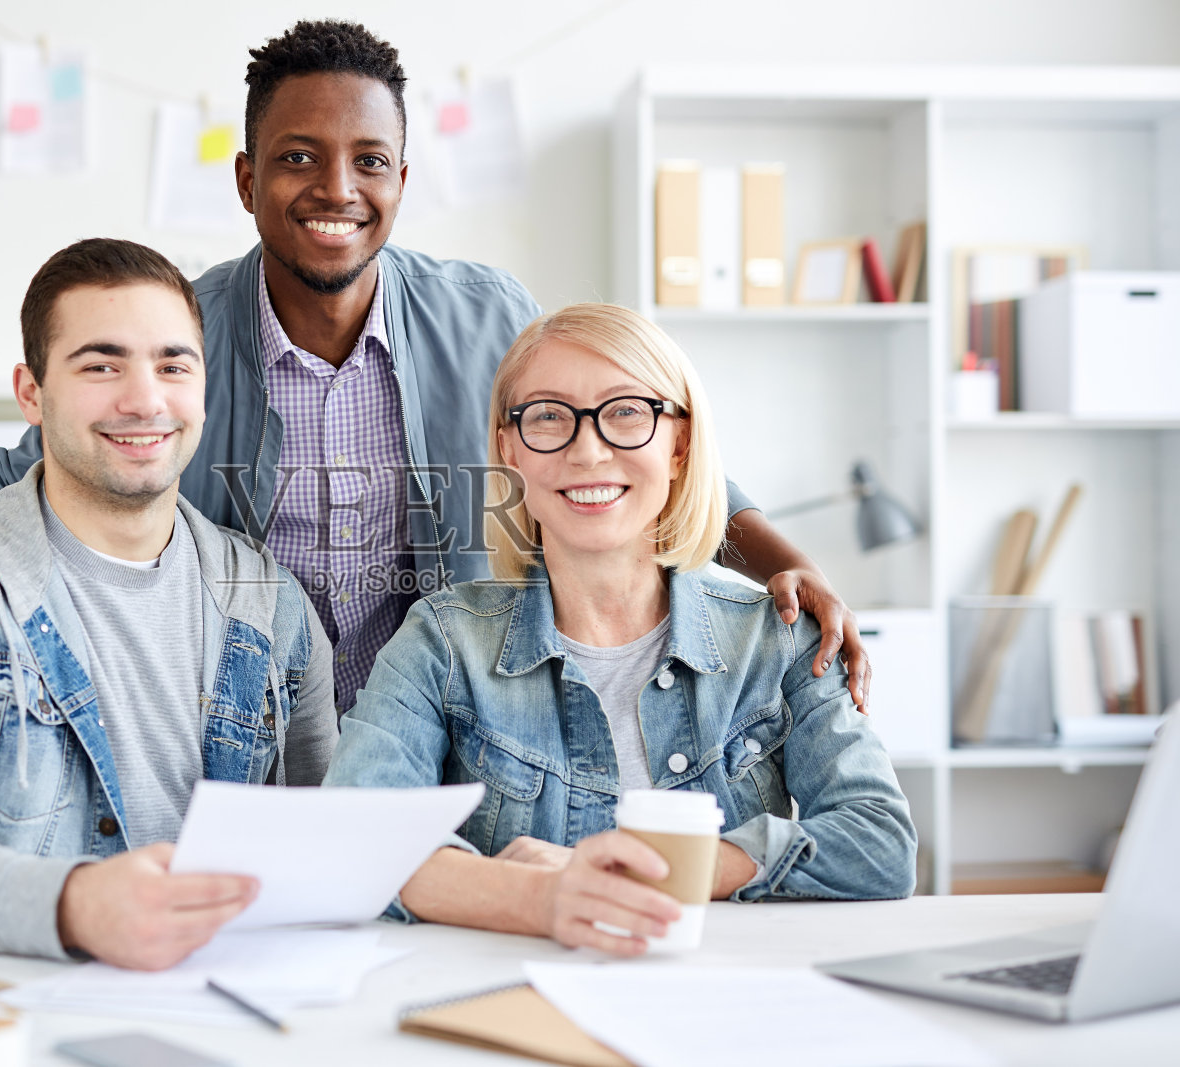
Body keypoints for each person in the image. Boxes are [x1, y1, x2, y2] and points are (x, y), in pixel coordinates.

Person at [0, 19, 870, 717]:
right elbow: (31, 467)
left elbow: (646, 452)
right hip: (240, 746)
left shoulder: (489, 315)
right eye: (297, 156)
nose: (337, 186)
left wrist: (786, 560)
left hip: (460, 742)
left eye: (368, 159)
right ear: (244, 179)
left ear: (402, 178)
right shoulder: (182, 335)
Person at [322, 303, 915, 955]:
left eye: (627, 412)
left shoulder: (776, 637)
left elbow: (879, 844)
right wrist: (541, 899)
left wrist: (680, 867)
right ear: (508, 446)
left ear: (680, 442)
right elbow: (352, 841)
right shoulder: (440, 641)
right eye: (548, 415)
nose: (588, 450)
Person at [0, 239, 337, 969]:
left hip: (236, 1008)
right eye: (101, 365)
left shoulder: (271, 605)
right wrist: (77, 904)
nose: (144, 399)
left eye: (173, 365)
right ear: (31, 393)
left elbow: (328, 836)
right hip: (16, 1017)